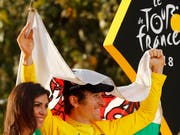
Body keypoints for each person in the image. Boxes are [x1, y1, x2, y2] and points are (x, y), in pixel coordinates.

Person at [17, 22, 166, 134]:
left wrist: (156, 71)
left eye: (101, 96)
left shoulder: (107, 129)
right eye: (96, 96)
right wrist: (28, 57)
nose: (102, 102)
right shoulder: (56, 129)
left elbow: (145, 115)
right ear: (74, 100)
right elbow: (32, 99)